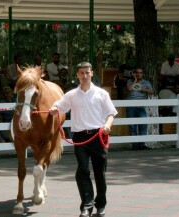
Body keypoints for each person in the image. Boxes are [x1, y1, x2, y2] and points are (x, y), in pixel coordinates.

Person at [49, 62, 117, 217]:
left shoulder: (101, 93)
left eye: (87, 72)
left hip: (98, 136)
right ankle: (86, 205)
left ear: (92, 73)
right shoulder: (71, 95)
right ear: (77, 75)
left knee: (100, 173)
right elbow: (58, 107)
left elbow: (111, 113)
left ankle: (101, 205)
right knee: (83, 171)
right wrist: (54, 110)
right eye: (82, 73)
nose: (85, 76)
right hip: (80, 137)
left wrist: (107, 125)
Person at [126, 67, 154, 150]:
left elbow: (151, 91)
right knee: (132, 126)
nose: (139, 74)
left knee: (143, 125)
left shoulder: (146, 82)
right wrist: (135, 80)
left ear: (143, 74)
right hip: (131, 106)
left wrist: (143, 89)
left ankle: (142, 144)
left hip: (141, 107)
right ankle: (135, 145)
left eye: (140, 72)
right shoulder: (130, 81)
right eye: (137, 72)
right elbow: (129, 89)